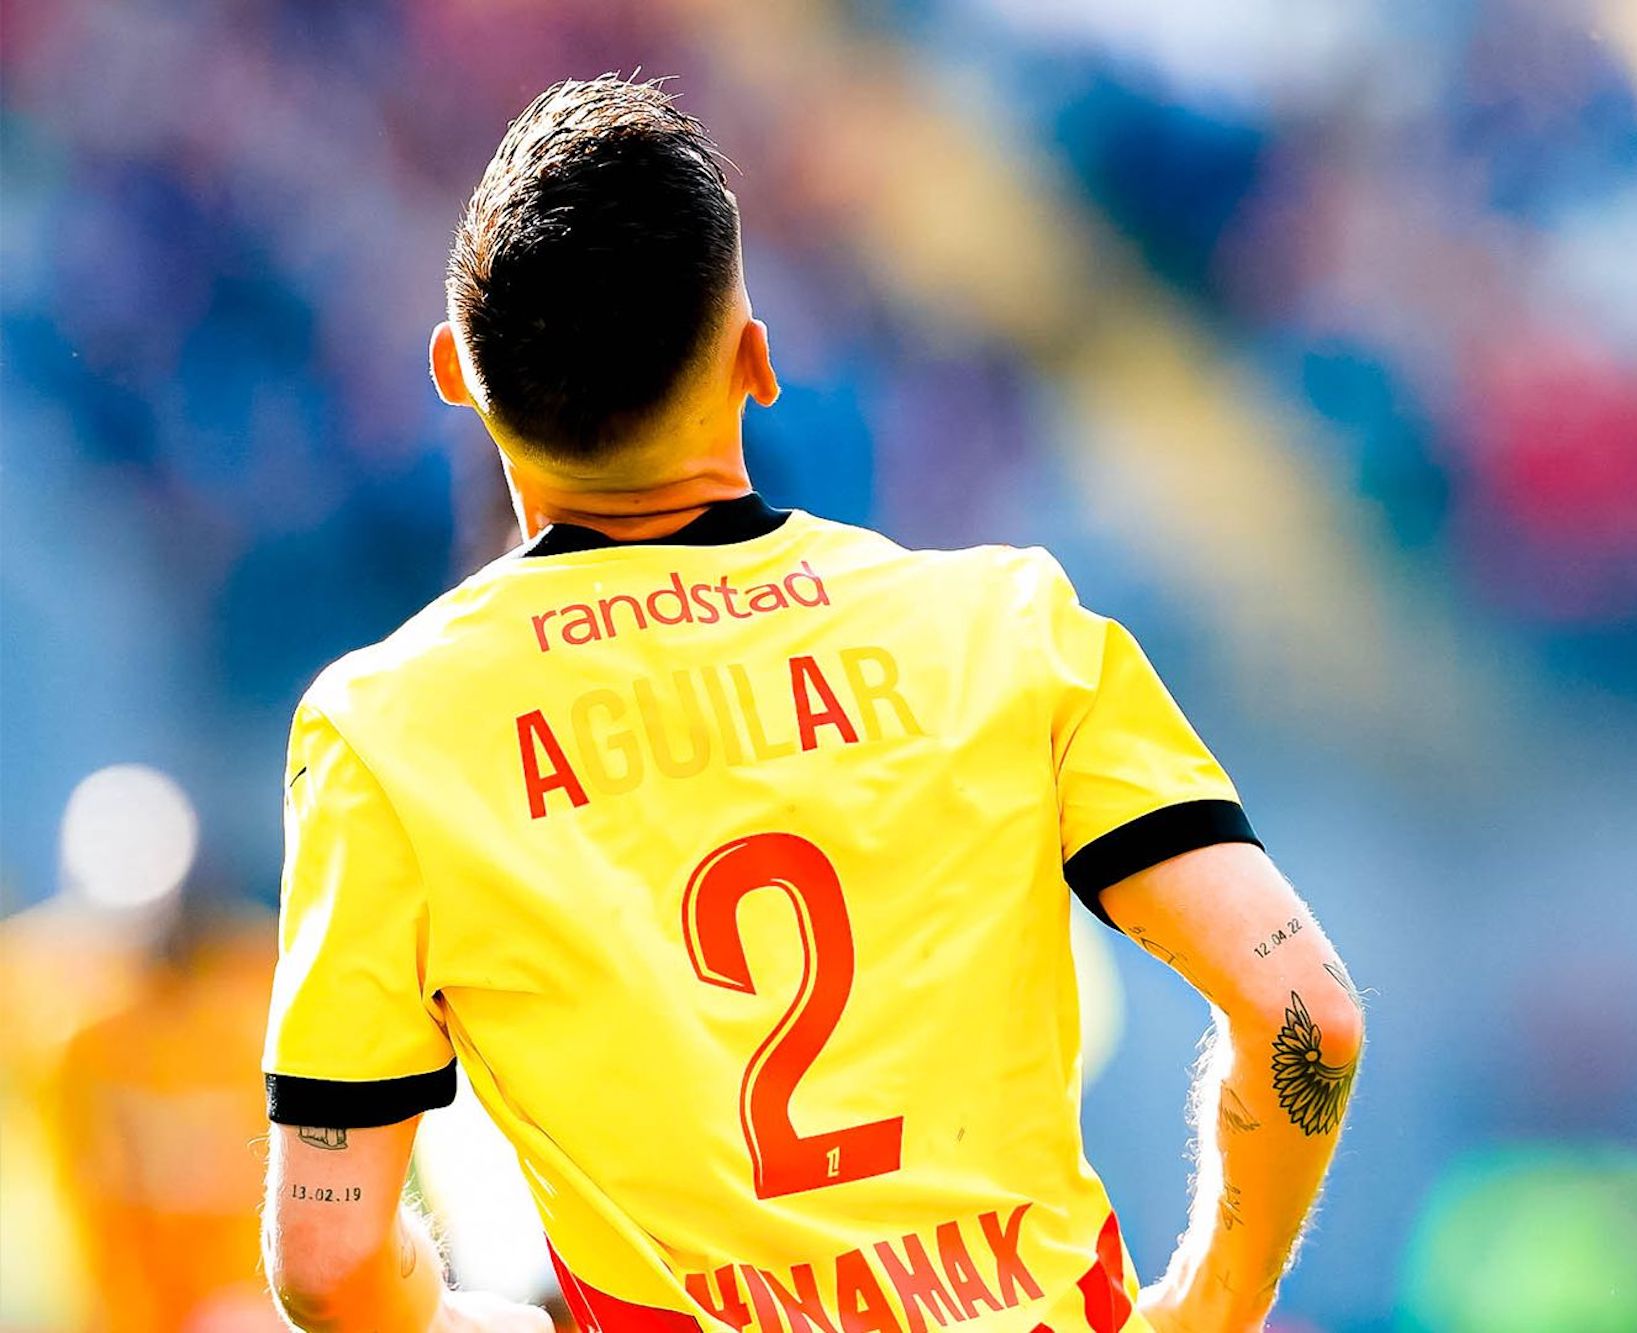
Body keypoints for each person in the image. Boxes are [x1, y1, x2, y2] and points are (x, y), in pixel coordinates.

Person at [260, 75, 1363, 1333]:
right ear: (755, 361)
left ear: (457, 375)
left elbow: (329, 1257)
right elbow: (1304, 1011)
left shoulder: (387, 731)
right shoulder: (1003, 626)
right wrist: (1213, 1302)